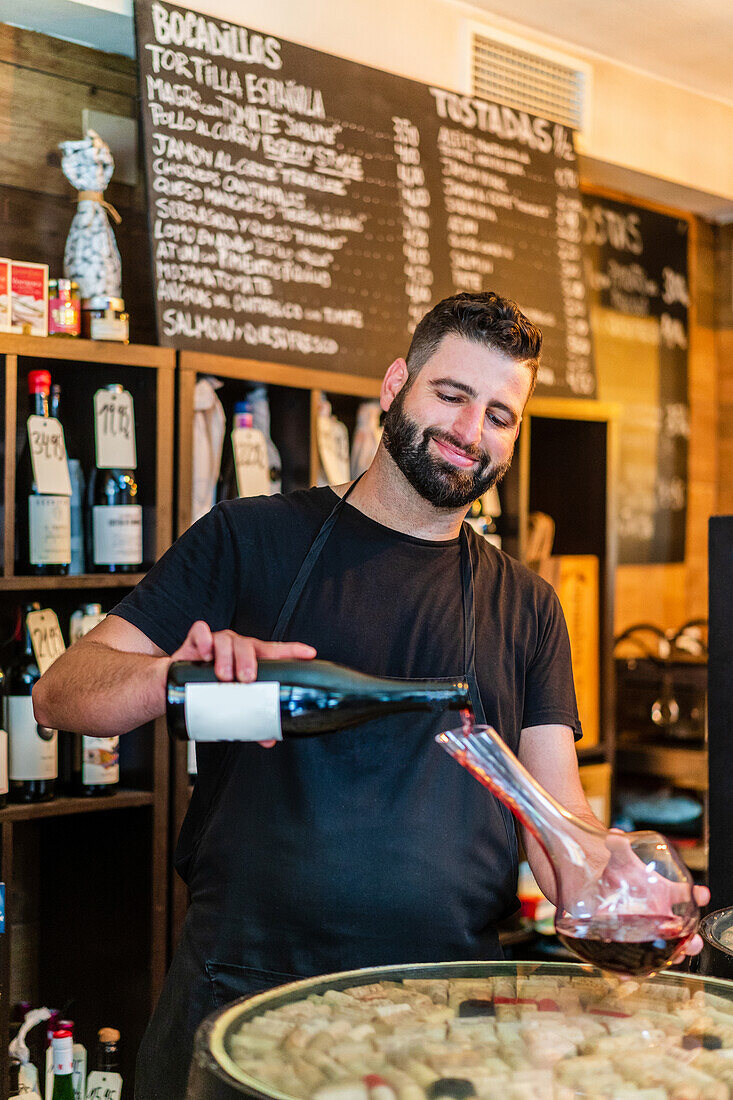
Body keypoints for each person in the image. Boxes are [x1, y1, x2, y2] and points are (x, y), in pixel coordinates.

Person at [33, 292, 707, 1099]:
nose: (470, 432)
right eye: (451, 396)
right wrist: (173, 673)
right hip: (242, 989)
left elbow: (554, 822)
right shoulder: (249, 539)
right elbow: (61, 695)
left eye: (500, 415)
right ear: (396, 385)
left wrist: (621, 887)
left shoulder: (525, 605)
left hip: (447, 1007)